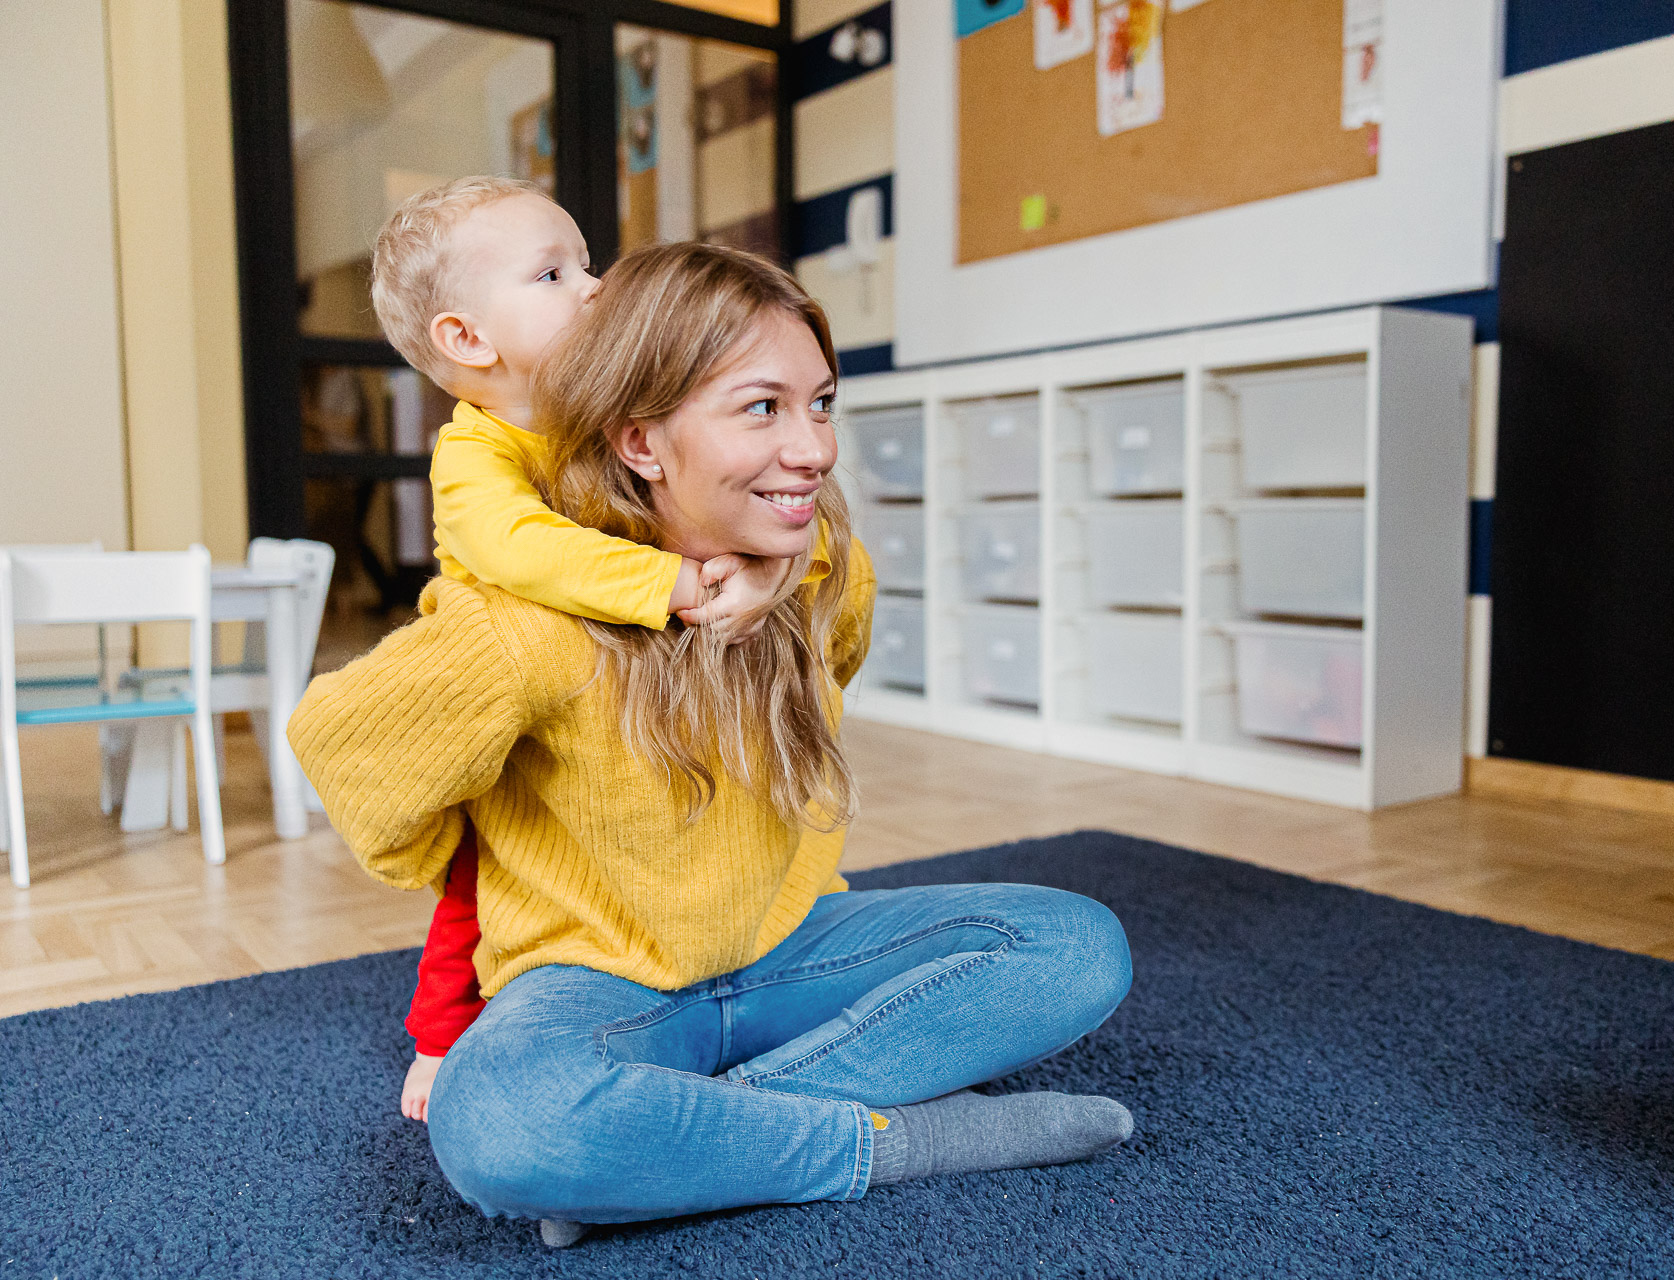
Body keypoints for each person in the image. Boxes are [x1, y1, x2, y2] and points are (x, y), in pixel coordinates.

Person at [290, 243, 1135, 1245]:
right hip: (597, 981)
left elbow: (840, 629)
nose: (814, 447)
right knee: (505, 1123)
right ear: (642, 440)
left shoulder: (822, 573)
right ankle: (898, 1139)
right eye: (763, 407)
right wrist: (482, 822)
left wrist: (775, 568)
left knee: (1078, 947)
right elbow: (341, 744)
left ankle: (677, 1140)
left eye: (820, 402)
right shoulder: (522, 626)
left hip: (792, 948)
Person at [367, 176, 800, 1119]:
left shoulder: (602, 422)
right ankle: (439, 1045)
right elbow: (515, 550)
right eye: (554, 273)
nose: (595, 286)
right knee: (478, 880)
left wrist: (757, 568)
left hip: (618, 691)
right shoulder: (474, 455)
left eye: (590, 263)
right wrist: (672, 586)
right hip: (516, 704)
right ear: (467, 340)